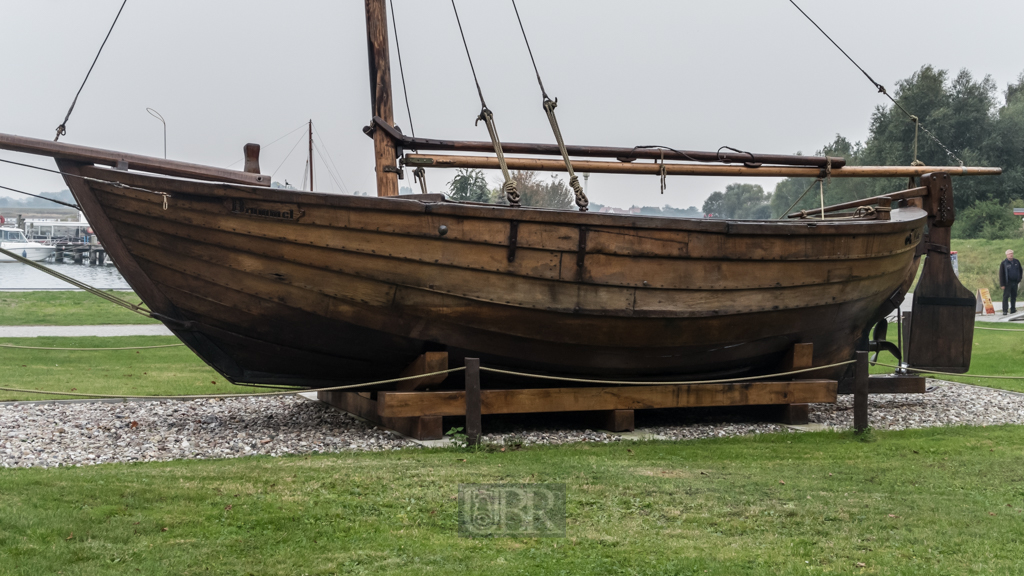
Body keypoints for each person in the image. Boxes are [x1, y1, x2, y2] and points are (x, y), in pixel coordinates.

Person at [999, 249, 1022, 315]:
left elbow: (1020, 270)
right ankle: (1005, 310)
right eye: (1009, 254)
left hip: (1015, 282)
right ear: (1006, 255)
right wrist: (1002, 284)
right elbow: (1001, 274)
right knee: (1006, 296)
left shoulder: (1016, 262)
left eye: (1012, 253)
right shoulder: (1004, 263)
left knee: (1014, 296)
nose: (1011, 255)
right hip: (1007, 282)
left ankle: (1013, 309)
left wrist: (1019, 279)